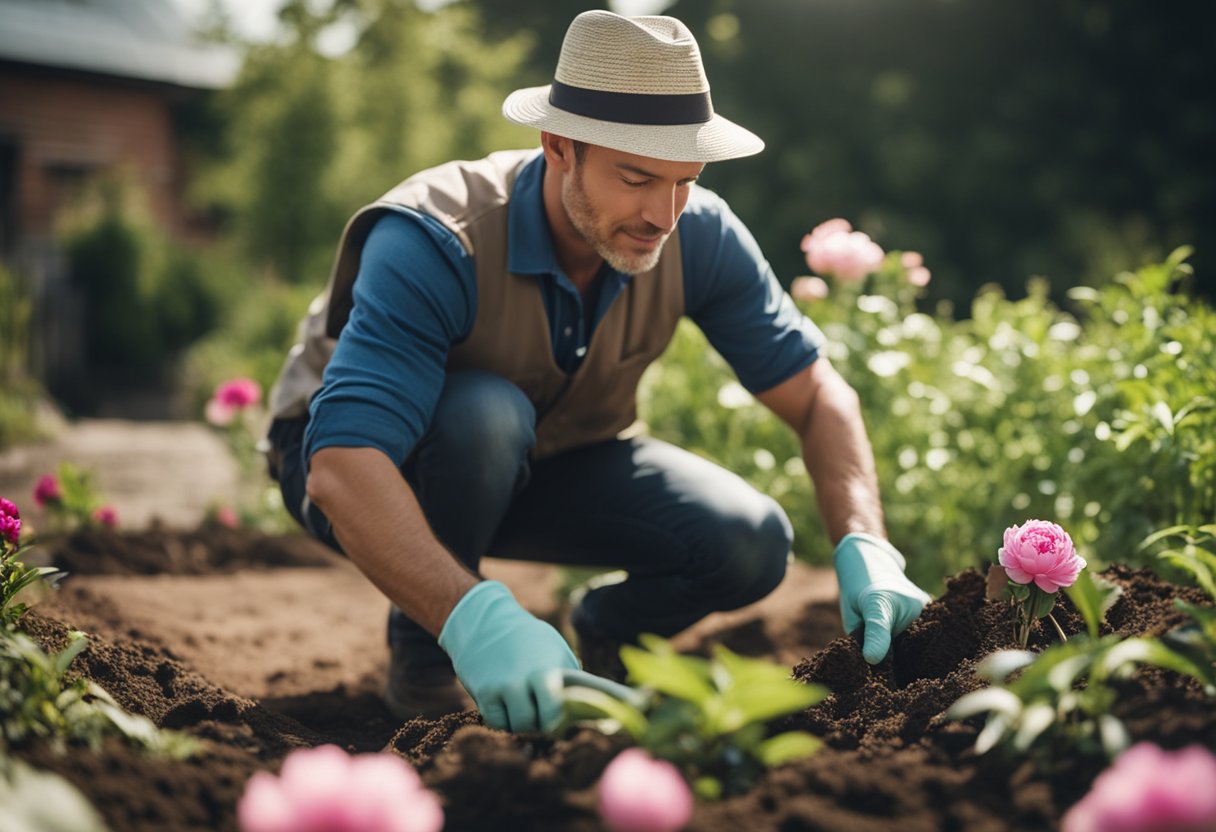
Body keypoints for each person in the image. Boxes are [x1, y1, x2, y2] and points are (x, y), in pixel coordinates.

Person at [264, 9, 931, 734]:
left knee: (749, 539)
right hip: (360, 465)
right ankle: (426, 657)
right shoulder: (436, 238)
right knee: (485, 415)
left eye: (684, 182)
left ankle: (608, 635)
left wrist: (867, 542)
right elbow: (342, 465)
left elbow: (817, 394)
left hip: (548, 456)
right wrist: (476, 620)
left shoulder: (696, 233)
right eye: (638, 178)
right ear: (558, 146)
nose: (664, 214)